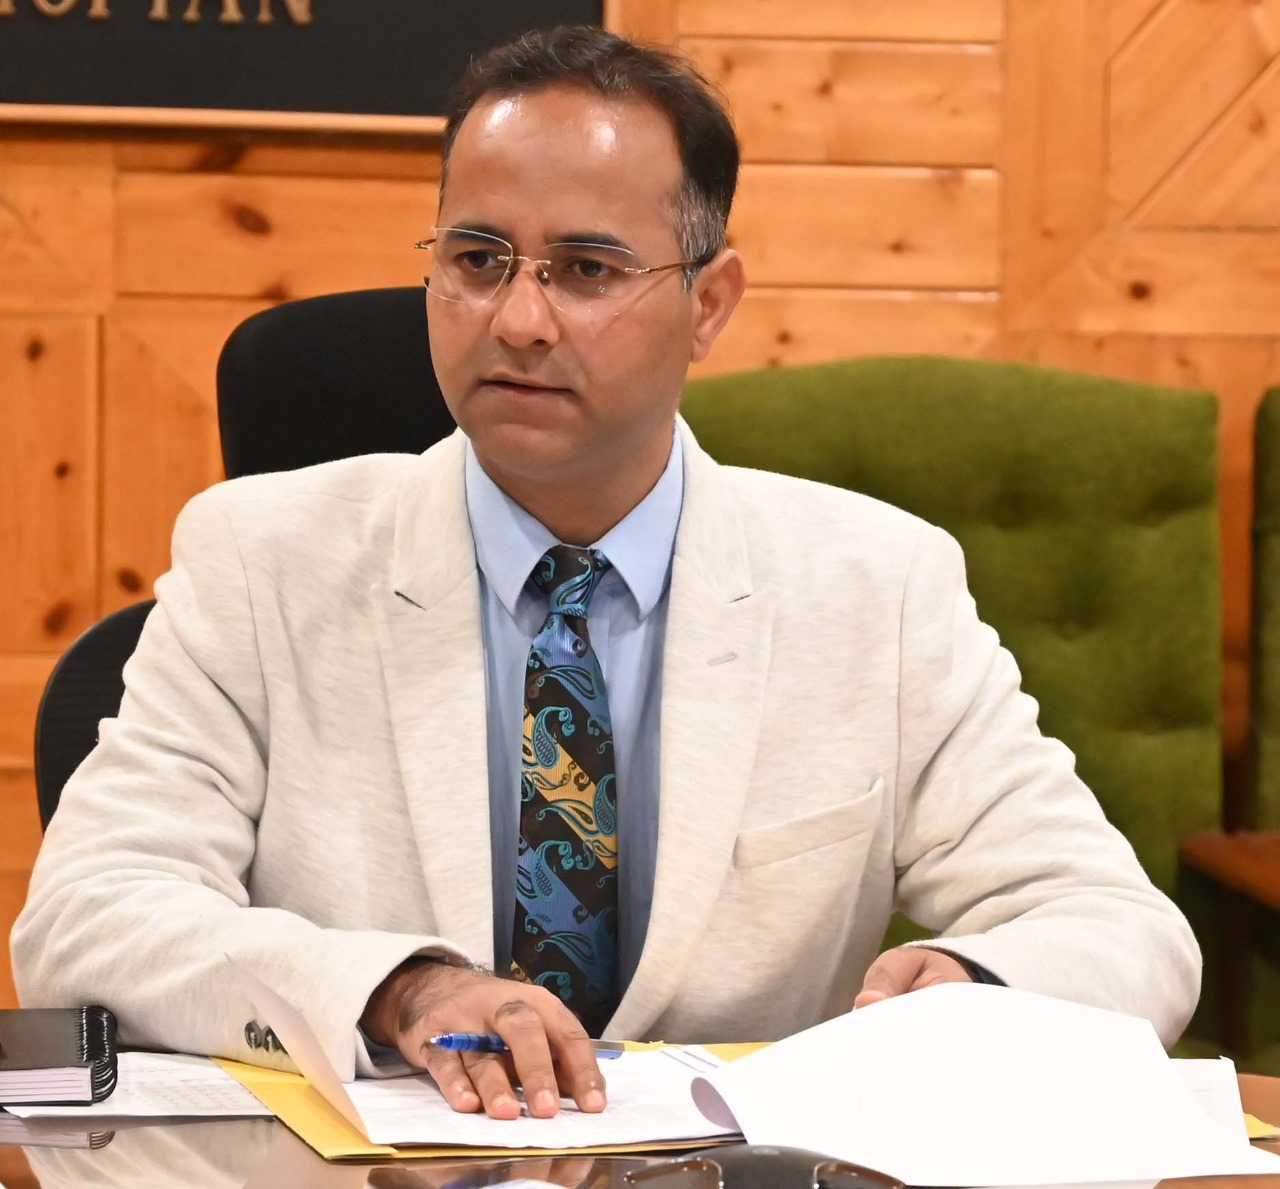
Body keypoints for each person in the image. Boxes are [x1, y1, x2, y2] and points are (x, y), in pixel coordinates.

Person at [12, 26, 1199, 1124]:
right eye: (478, 259)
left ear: (707, 304)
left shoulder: (876, 589)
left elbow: (1122, 931)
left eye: (585, 269)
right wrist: (399, 989)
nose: (517, 319)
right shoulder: (260, 559)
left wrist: (973, 984)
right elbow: (85, 918)